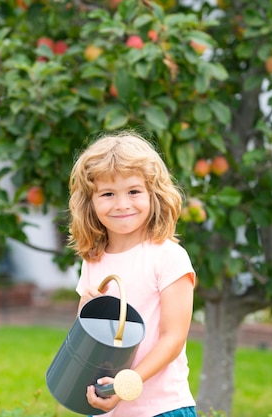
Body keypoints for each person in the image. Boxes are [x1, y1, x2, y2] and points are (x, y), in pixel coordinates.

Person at [68, 131, 197, 417]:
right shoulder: (94, 259)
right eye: (108, 194)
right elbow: (88, 333)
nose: (122, 204)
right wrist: (85, 308)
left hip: (160, 408)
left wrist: (128, 384)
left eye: (134, 191)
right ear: (90, 202)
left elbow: (173, 338)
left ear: (155, 194)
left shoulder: (168, 257)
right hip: (107, 408)